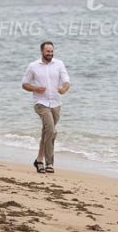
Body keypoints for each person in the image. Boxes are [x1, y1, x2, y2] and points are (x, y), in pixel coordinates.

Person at [22, 41, 70, 173]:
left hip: (56, 103)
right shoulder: (33, 66)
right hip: (41, 103)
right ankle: (50, 163)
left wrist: (64, 89)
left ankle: (38, 161)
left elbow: (66, 81)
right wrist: (36, 88)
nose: (50, 54)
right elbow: (25, 84)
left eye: (52, 51)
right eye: (47, 51)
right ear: (42, 51)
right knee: (51, 130)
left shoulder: (59, 64)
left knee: (47, 133)